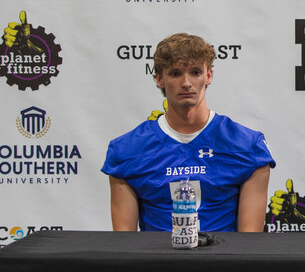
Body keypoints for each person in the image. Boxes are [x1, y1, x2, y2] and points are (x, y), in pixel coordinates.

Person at [102, 33, 275, 232]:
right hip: (155, 262)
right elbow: (125, 246)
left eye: (195, 72)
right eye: (175, 73)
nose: (186, 83)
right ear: (159, 79)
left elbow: (249, 245)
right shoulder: (126, 151)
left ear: (208, 75)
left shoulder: (248, 146)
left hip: (225, 261)